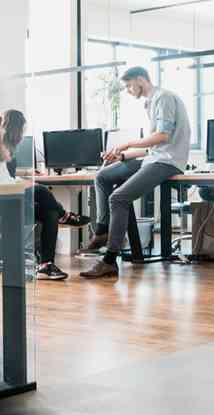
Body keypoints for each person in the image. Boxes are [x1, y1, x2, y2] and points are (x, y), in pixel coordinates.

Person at [80, 66, 191, 279]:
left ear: (141, 79)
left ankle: (110, 260)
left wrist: (128, 143)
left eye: (129, 85)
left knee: (118, 198)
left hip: (168, 162)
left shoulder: (163, 98)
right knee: (102, 176)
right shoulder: (152, 102)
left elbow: (162, 137)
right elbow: (152, 147)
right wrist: (122, 154)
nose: (129, 91)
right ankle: (103, 231)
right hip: (155, 157)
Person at [0, 109, 90, 281]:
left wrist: (26, 175)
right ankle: (66, 216)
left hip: (13, 201)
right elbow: (4, 183)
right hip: (5, 205)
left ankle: (45, 265)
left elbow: (7, 177)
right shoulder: (2, 147)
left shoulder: (7, 149)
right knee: (40, 190)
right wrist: (27, 182)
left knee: (51, 213)